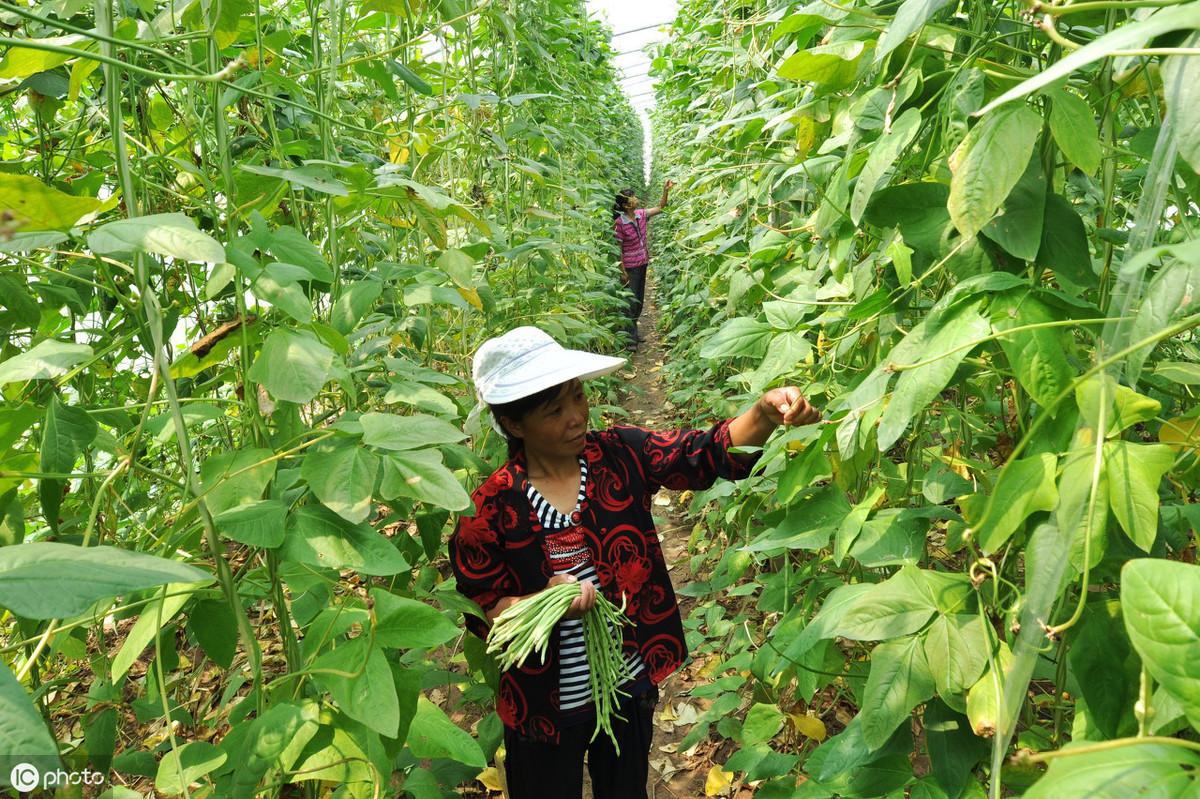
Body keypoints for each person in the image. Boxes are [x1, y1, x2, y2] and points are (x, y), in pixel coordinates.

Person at [448, 326, 821, 799]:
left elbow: (700, 454)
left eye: (578, 398)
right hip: (542, 703)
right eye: (554, 410)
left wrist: (765, 413)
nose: (576, 417)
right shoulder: (488, 511)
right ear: (514, 424)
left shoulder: (619, 455)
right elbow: (484, 611)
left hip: (627, 682)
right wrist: (544, 603)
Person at [612, 181, 672, 348]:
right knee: (630, 303)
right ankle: (630, 340)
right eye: (631, 197)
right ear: (625, 205)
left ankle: (634, 334)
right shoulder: (620, 223)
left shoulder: (641, 215)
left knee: (638, 300)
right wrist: (622, 271)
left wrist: (665, 191)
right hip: (630, 268)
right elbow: (619, 249)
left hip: (642, 264)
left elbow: (661, 207)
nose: (635, 199)